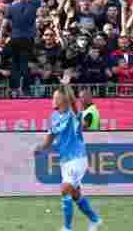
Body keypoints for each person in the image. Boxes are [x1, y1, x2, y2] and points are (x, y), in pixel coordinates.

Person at [34, 74, 102, 231]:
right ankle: (95, 219)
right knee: (74, 193)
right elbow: (50, 138)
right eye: (53, 97)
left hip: (77, 158)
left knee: (65, 189)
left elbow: (72, 102)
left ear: (63, 100)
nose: (53, 100)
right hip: (65, 160)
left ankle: (67, 228)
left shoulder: (72, 115)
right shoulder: (54, 117)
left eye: (56, 97)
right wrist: (40, 148)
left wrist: (66, 86)